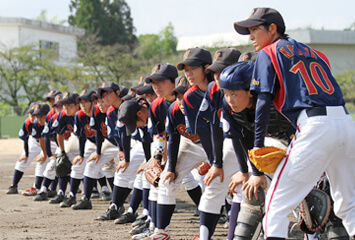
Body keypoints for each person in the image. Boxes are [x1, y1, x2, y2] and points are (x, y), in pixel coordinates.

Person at [234, 7, 355, 239]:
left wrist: (257, 145)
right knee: (348, 205)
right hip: (347, 123)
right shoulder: (316, 53)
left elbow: (262, 102)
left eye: (255, 29)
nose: (250, 36)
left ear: (272, 28)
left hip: (315, 127)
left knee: (276, 206)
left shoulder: (268, 52)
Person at [6, 102, 39, 194]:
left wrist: (45, 153)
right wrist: (26, 154)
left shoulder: (45, 121)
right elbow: (25, 139)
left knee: (55, 164)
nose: (32, 116)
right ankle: (14, 186)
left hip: (49, 143)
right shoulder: (28, 122)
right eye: (30, 114)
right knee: (22, 161)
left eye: (34, 114)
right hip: (34, 142)